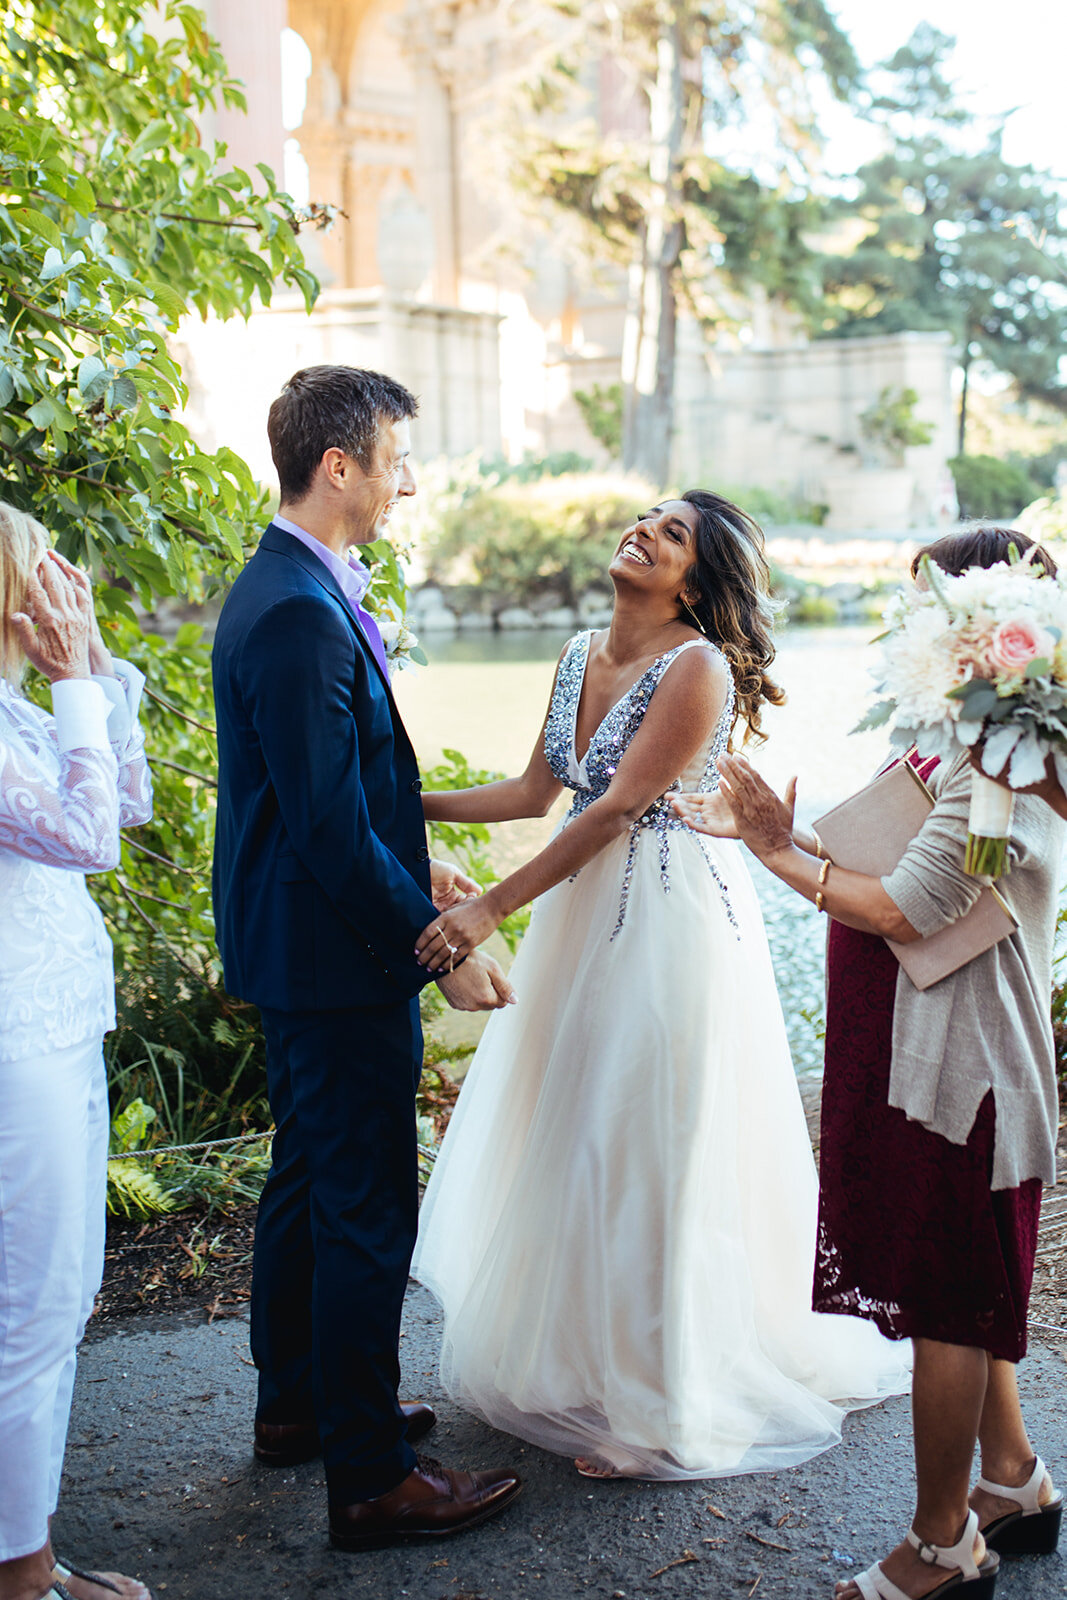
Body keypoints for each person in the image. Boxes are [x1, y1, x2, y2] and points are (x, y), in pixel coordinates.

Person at [410, 491, 909, 1481]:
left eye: (670, 532)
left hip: (662, 921)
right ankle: (588, 1363)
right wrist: (386, 797)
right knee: (573, 1132)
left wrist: (487, 909)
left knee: (645, 1140)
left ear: (695, 577)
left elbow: (618, 808)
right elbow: (531, 796)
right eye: (644, 517)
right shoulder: (574, 654)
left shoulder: (697, 667)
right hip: (578, 919)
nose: (642, 530)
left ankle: (657, 1402)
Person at [675, 526, 1063, 1598]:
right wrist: (772, 832)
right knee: (965, 1281)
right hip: (929, 1053)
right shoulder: (965, 735)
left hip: (962, 1070)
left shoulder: (1007, 762)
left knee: (947, 1298)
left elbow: (904, 903)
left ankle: (941, 1547)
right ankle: (1011, 1482)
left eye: (924, 608)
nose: (907, 629)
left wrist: (774, 853)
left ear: (980, 625)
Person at [211, 364, 521, 1553]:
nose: (404, 483)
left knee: (307, 1185)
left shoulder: (294, 586)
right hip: (333, 958)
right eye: (393, 460)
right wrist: (433, 943)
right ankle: (371, 1477)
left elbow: (328, 801)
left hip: (303, 945)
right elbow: (329, 827)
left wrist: (421, 864)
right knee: (360, 1206)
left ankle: (301, 1407)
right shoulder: (295, 608)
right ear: (337, 467)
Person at [0, 505, 153, 1600]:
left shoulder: (19, 711)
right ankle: (23, 1575)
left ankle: (26, 1553)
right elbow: (85, 836)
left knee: (62, 1298)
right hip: (16, 1043)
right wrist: (69, 682)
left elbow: (126, 800)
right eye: (42, 564)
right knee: (33, 1310)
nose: (63, 577)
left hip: (58, 1027)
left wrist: (90, 669)